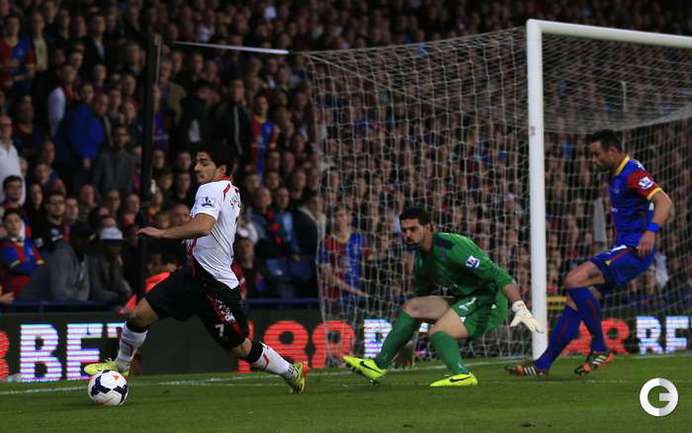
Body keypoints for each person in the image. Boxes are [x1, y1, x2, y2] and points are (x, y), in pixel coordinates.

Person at [84, 143, 307, 393]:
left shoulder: (210, 188)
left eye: (204, 162)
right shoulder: (232, 190)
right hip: (191, 275)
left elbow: (202, 226)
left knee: (241, 348)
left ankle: (291, 370)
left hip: (215, 286)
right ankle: (120, 366)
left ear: (221, 168)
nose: (196, 167)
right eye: (196, 162)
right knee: (139, 316)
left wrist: (162, 233)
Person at [506, 130, 673, 377]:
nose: (593, 160)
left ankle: (599, 346)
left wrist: (650, 231)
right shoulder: (616, 174)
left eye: (597, 154)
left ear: (612, 151)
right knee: (575, 301)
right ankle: (542, 364)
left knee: (573, 280)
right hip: (623, 247)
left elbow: (664, 202)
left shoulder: (632, 172)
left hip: (634, 249)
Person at [344, 207, 542, 387]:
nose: (408, 235)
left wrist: (519, 306)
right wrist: (408, 342)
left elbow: (499, 275)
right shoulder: (421, 261)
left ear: (429, 227)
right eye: (404, 230)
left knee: (439, 332)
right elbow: (421, 305)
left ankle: (463, 375)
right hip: (465, 299)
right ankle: (378, 365)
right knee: (412, 307)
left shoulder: (452, 247)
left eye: (413, 229)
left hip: (489, 300)